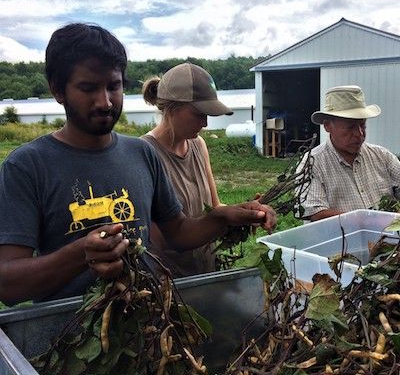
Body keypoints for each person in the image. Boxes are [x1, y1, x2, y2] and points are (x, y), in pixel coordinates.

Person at [0, 23, 276, 306]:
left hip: (151, 327)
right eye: (88, 88)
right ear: (58, 90)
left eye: (113, 86)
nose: (105, 102)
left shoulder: (141, 154)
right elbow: (7, 285)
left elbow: (179, 232)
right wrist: (81, 254)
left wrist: (224, 217)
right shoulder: (26, 167)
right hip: (69, 339)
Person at [141, 62, 232, 277]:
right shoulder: (145, 153)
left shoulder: (198, 145)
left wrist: (246, 212)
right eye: (200, 114)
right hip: (172, 284)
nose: (206, 123)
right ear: (172, 108)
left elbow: (215, 207)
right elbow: (155, 243)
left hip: (205, 273)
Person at [299, 85, 400, 221]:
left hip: (388, 239)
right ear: (328, 126)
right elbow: (315, 213)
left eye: (362, 125)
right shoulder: (312, 163)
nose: (359, 134)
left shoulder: (382, 156)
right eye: (350, 127)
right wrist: (367, 220)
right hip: (341, 239)